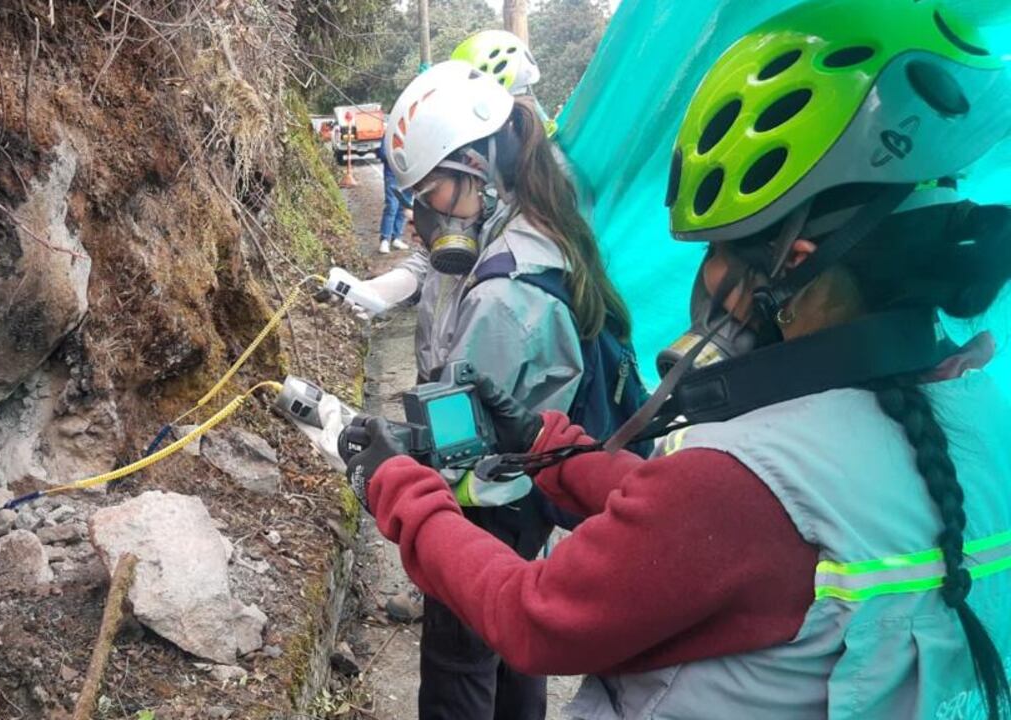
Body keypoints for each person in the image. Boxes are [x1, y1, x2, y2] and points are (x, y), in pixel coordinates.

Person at [344, 1, 1011, 718]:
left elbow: (532, 615)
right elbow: (691, 525)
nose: (708, 280)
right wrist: (553, 447)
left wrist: (396, 488)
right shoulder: (982, 420)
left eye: (720, 249)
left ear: (795, 262)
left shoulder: (736, 481)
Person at [370, 60, 635, 720]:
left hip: (489, 509)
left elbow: (458, 448)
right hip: (532, 501)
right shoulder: (539, 232)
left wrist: (382, 460)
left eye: (429, 195)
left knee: (460, 671)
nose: (417, 220)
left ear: (478, 173)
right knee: (518, 654)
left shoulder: (502, 298)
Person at [377, 136, 413, 254]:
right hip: (392, 174)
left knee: (404, 206)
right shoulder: (390, 133)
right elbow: (382, 153)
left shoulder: (415, 131)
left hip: (408, 175)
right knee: (392, 205)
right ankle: (385, 239)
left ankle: (396, 237)